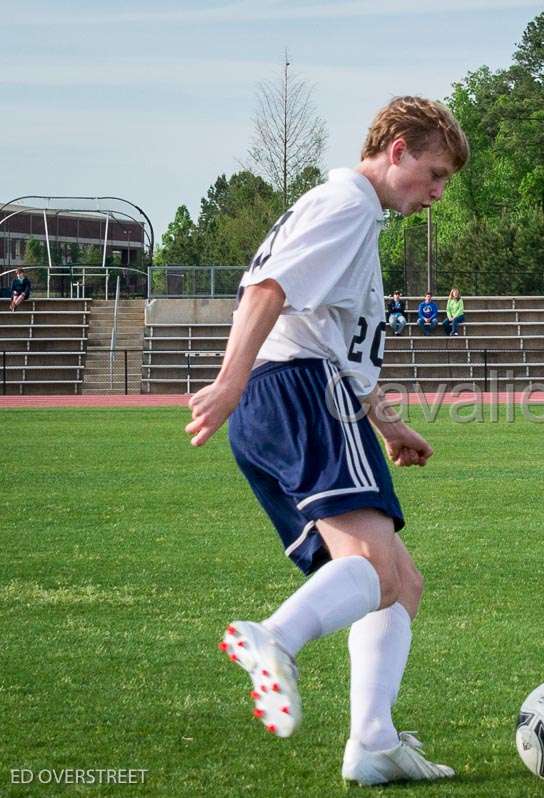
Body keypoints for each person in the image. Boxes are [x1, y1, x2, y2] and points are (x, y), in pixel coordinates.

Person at [184, 96, 468, 786]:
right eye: (432, 174)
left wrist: (388, 422)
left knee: (399, 582)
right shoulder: (345, 204)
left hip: (295, 393)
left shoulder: (355, 218)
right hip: (296, 391)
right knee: (373, 568)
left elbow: (336, 338)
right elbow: (268, 290)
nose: (435, 193)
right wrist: (229, 382)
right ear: (396, 148)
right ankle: (272, 639)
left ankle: (372, 742)